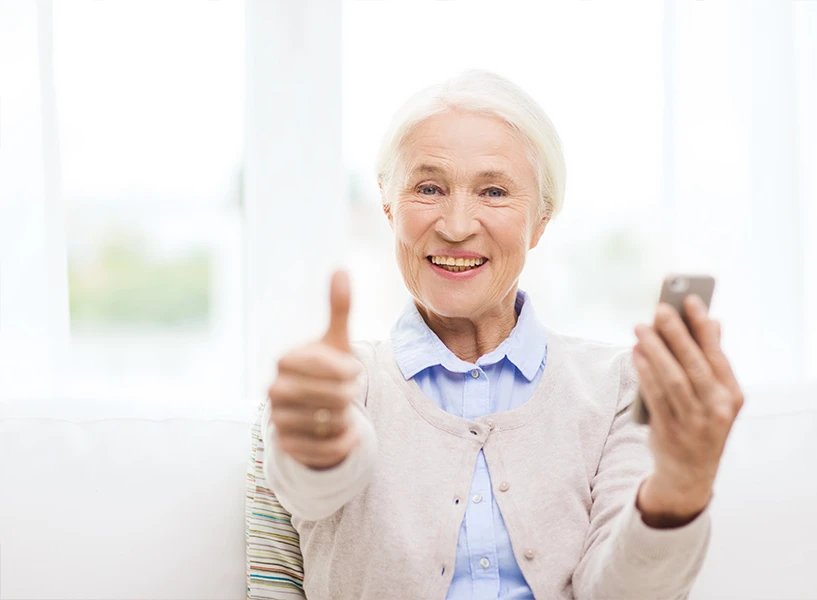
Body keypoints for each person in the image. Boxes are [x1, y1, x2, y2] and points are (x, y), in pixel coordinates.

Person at [262, 70, 744, 599]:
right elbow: (311, 486)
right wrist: (318, 444)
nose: (457, 224)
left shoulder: (619, 388)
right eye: (428, 188)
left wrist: (680, 487)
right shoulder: (335, 384)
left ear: (540, 220)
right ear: (387, 205)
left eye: (493, 191)